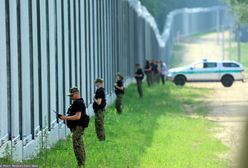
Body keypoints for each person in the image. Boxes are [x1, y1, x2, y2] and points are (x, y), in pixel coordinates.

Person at [59, 87, 88, 168]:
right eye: (70, 96)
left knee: (77, 145)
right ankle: (81, 163)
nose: (71, 97)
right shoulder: (77, 103)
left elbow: (78, 116)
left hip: (78, 127)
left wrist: (65, 118)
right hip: (76, 127)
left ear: (77, 93)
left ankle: (80, 164)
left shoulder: (79, 103)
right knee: (79, 144)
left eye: (72, 95)